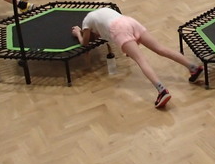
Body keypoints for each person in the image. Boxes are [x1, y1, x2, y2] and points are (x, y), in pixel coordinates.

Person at [71, 7, 204, 109]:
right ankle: (193, 68)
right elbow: (115, 29)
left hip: (118, 29)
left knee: (141, 60)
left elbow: (85, 43)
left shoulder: (86, 21)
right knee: (160, 48)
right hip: (130, 21)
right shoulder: (101, 12)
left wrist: (78, 33)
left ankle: (162, 91)